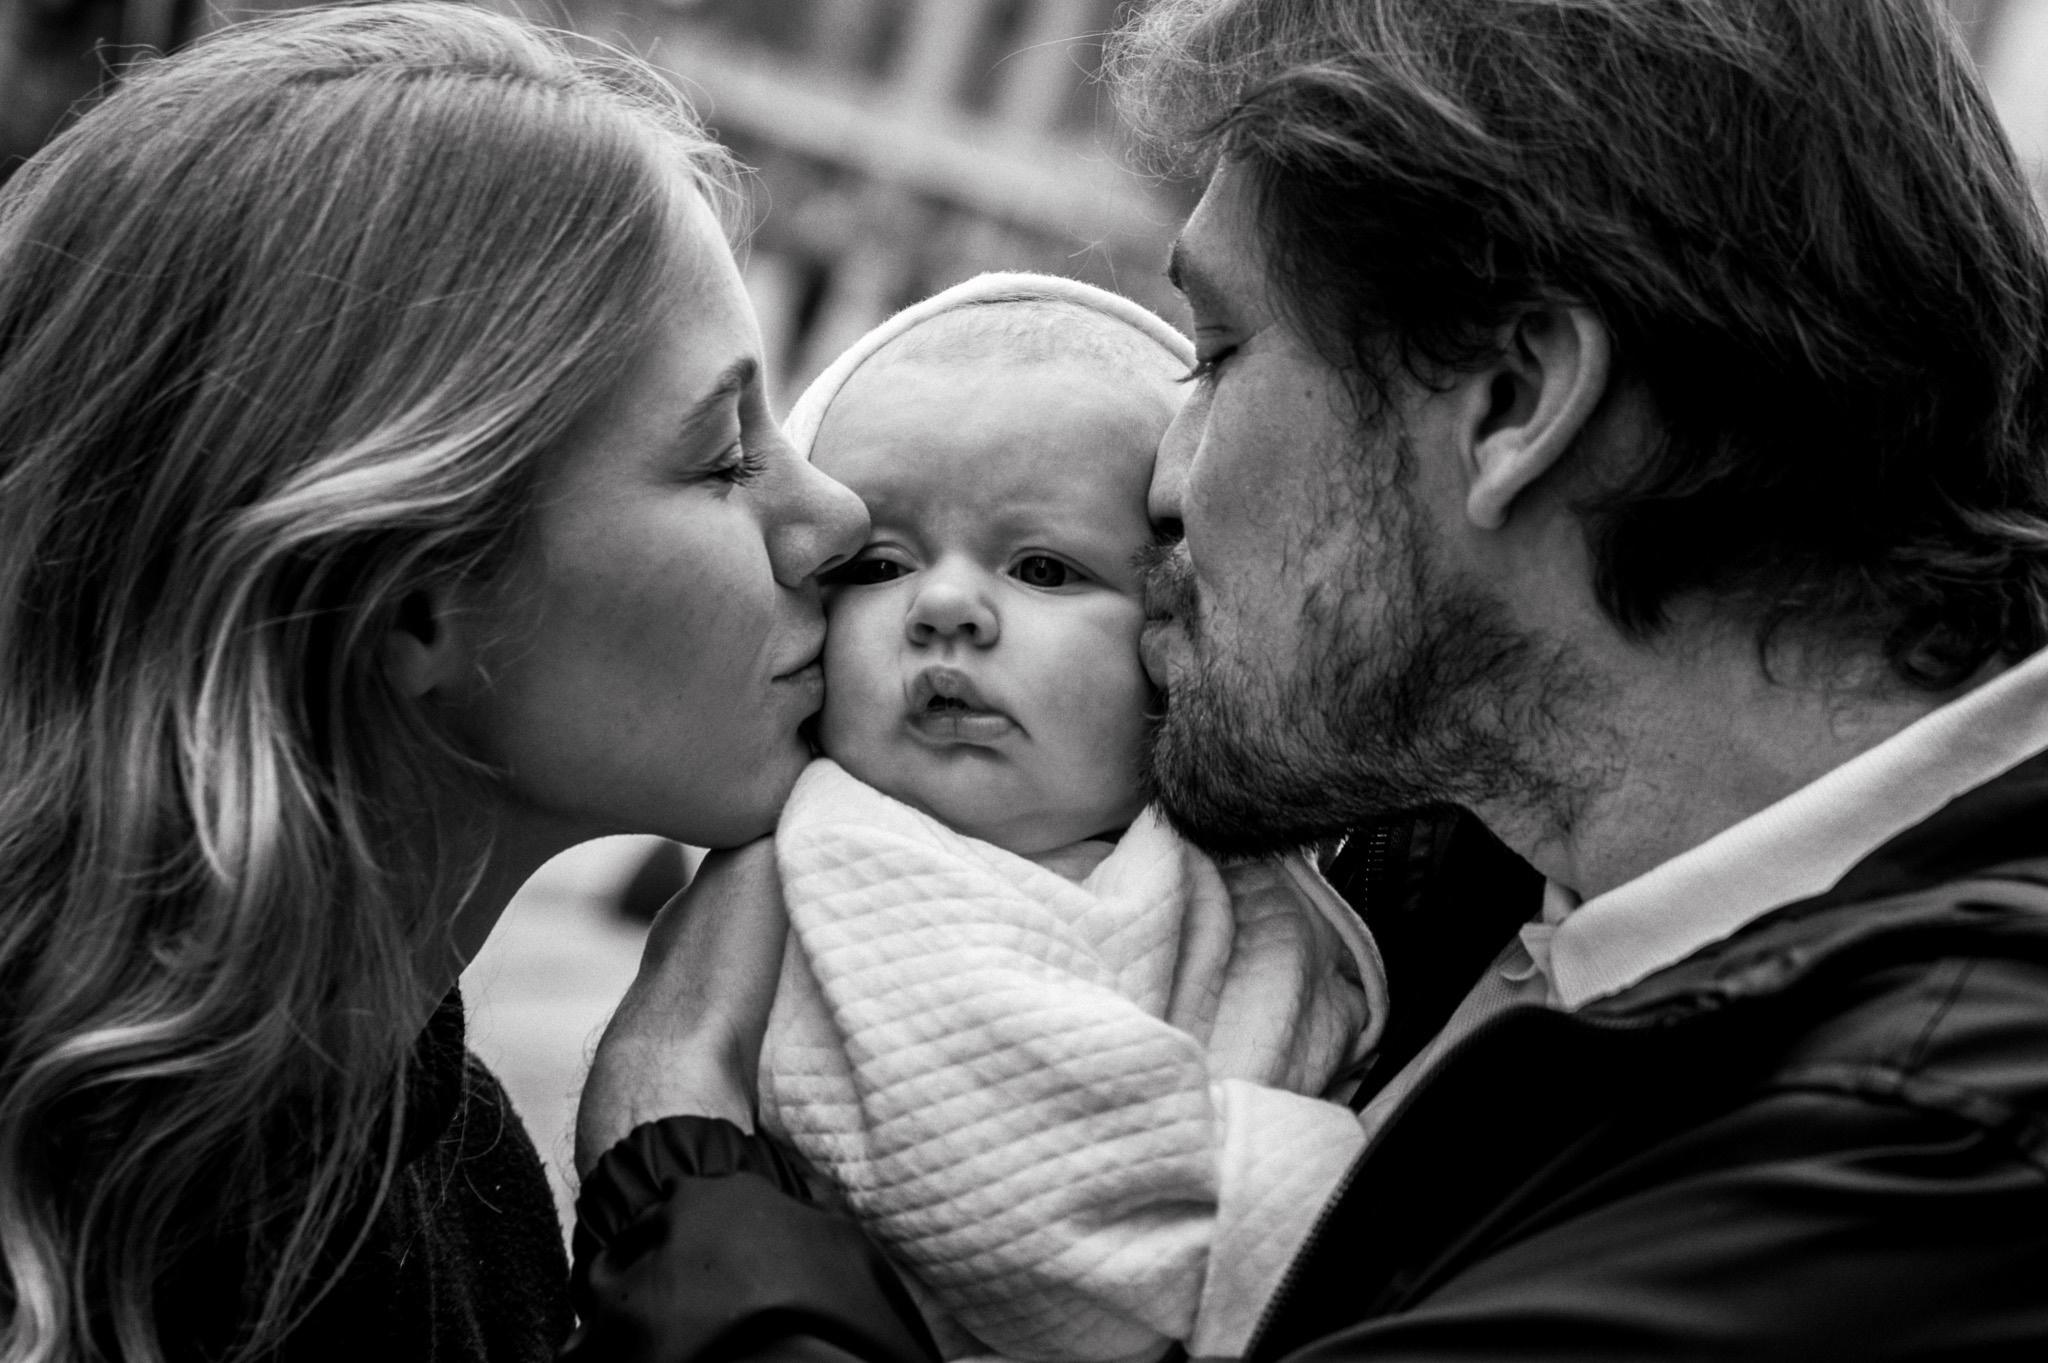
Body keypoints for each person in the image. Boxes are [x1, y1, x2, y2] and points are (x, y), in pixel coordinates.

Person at [570, 0, 2048, 1358]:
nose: (1159, 479)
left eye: (1217, 350)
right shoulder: (1478, 835)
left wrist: (680, 1165)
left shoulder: (1927, 1156)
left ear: (1516, 404)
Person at [0, 5, 871, 1360]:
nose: (840, 518)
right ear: (408, 597)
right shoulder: (165, 1240)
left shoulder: (445, 1166)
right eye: (722, 457)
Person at [758, 272, 1386, 1363]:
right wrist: (1325, 1190)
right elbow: (1027, 1202)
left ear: (1176, 630)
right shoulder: (847, 861)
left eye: (1042, 567)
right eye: (879, 564)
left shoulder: (1233, 860)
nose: (944, 605)